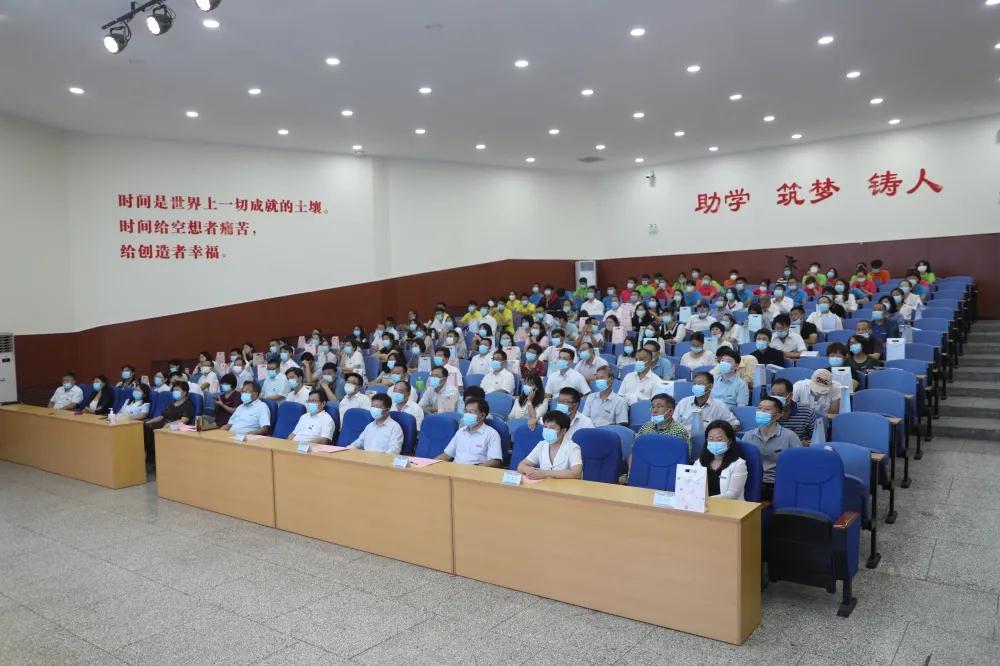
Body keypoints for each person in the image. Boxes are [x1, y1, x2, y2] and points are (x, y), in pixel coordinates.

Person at [742, 396, 802, 495]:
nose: (761, 411)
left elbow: (799, 464)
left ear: (777, 416)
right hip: (752, 481)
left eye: (767, 409)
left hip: (779, 483)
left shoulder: (790, 436)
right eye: (759, 408)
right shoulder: (748, 435)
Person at [516, 411, 584, 480]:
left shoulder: (573, 447)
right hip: (544, 485)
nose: (547, 430)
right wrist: (528, 470)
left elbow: (576, 473)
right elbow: (521, 465)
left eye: (552, 428)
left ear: (563, 431)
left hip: (566, 486)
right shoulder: (542, 445)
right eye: (545, 427)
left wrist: (545, 473)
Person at [143, 381, 195, 469]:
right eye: (174, 390)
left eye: (177, 390)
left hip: (175, 426)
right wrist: (150, 421)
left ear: (185, 392)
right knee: (146, 427)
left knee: (154, 432)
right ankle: (150, 458)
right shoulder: (172, 403)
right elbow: (162, 416)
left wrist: (169, 424)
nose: (175, 392)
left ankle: (157, 460)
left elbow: (184, 420)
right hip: (164, 422)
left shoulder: (188, 405)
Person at [436, 398, 503, 466]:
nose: (467, 414)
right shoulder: (460, 431)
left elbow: (495, 461)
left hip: (476, 470)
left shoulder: (491, 434)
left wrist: (474, 469)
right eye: (466, 411)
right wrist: (431, 463)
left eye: (471, 412)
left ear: (482, 415)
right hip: (455, 469)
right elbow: (447, 455)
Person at [693, 420, 748, 500]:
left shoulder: (738, 464)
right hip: (702, 505)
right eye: (711, 439)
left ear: (729, 441)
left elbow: (733, 494)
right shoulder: (699, 462)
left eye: (719, 439)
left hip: (728, 505)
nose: (714, 442)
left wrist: (706, 499)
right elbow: (692, 485)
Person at [673, 372, 740, 435]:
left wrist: (717, 433)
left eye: (700, 383)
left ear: (710, 386)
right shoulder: (683, 402)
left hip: (708, 439)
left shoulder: (719, 405)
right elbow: (673, 423)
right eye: (694, 384)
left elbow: (735, 425)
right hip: (684, 438)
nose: (696, 386)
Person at [768, 378, 816, 443]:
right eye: (773, 395)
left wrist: (801, 444)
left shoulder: (807, 413)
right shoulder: (767, 412)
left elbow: (817, 440)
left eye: (780, 395)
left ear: (790, 396)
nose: (776, 398)